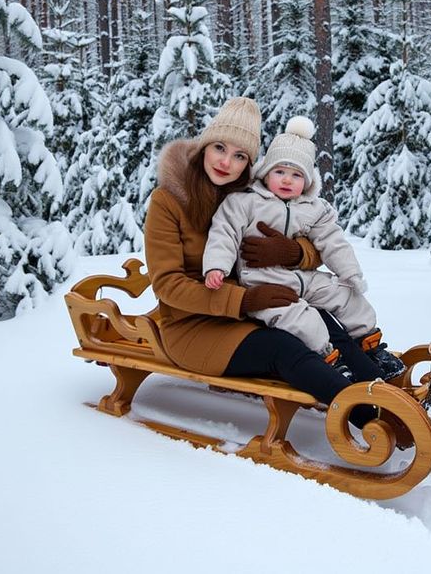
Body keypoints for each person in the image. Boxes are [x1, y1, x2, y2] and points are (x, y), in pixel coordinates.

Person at [143, 97, 388, 431]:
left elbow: (314, 235)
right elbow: (167, 285)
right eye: (219, 148)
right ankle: (373, 417)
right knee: (285, 348)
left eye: (240, 155)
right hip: (194, 327)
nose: (227, 162)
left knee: (322, 320)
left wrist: (293, 253)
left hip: (256, 307)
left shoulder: (252, 194)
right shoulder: (169, 201)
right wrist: (243, 300)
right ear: (204, 147)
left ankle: (385, 387)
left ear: (250, 164)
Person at [202, 116, 406, 382]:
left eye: (296, 174)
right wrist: (216, 266)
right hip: (265, 283)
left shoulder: (314, 208)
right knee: (304, 319)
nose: (287, 180)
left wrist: (350, 273)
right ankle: (330, 360)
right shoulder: (245, 203)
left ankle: (371, 345)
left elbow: (332, 241)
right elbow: (224, 233)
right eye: (280, 172)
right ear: (265, 172)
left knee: (346, 295)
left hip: (304, 278)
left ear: (308, 181)